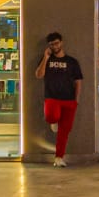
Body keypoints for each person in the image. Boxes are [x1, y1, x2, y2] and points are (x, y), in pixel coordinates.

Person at [35, 31, 82, 167]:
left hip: (69, 99)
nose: (55, 46)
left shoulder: (72, 62)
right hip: (52, 98)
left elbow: (78, 81)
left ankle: (59, 157)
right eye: (51, 44)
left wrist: (76, 99)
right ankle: (54, 121)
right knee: (51, 117)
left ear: (61, 42)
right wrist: (45, 58)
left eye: (56, 43)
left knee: (64, 131)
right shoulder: (47, 60)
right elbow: (39, 75)